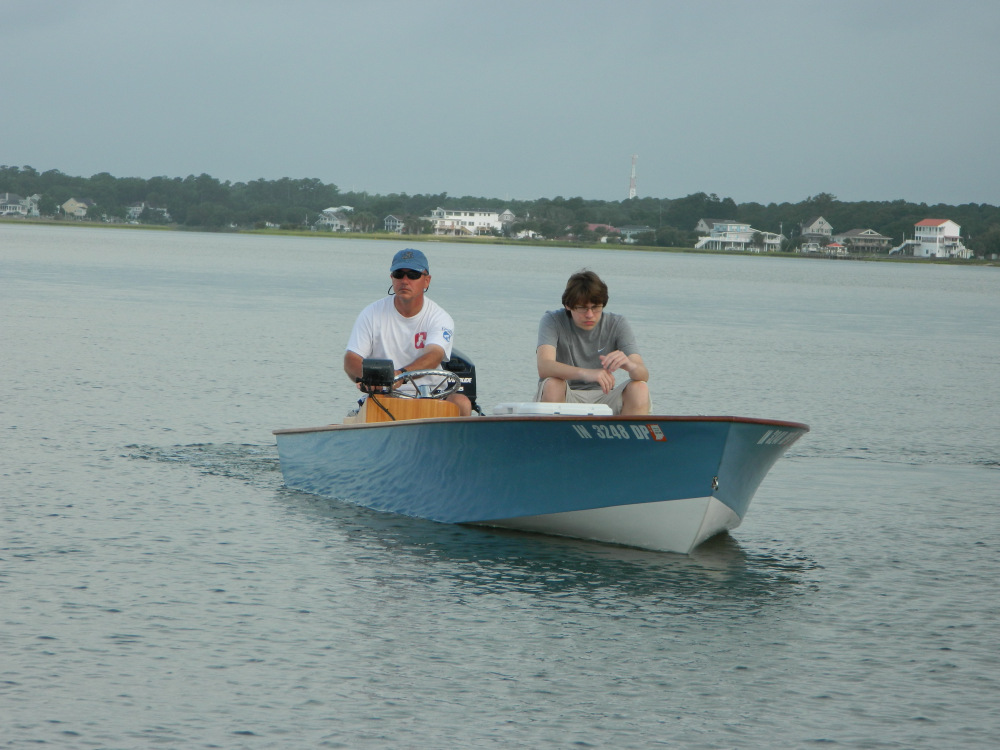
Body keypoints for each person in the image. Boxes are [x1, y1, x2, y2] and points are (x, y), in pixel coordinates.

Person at [344, 248, 472, 416]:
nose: (405, 281)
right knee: (379, 403)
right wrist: (368, 379)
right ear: (392, 278)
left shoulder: (440, 317)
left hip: (433, 394)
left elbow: (434, 355)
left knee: (462, 403)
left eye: (413, 275)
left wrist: (402, 375)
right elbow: (351, 359)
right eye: (399, 274)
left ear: (426, 281)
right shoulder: (371, 314)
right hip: (386, 394)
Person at [535, 269, 650, 415]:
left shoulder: (617, 323)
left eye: (595, 307)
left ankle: (628, 430)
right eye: (582, 308)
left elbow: (643, 374)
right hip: (567, 393)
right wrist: (587, 373)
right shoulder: (552, 320)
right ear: (568, 306)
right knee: (553, 385)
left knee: (640, 388)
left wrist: (630, 365)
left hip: (605, 395)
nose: (589, 315)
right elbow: (544, 366)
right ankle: (555, 430)